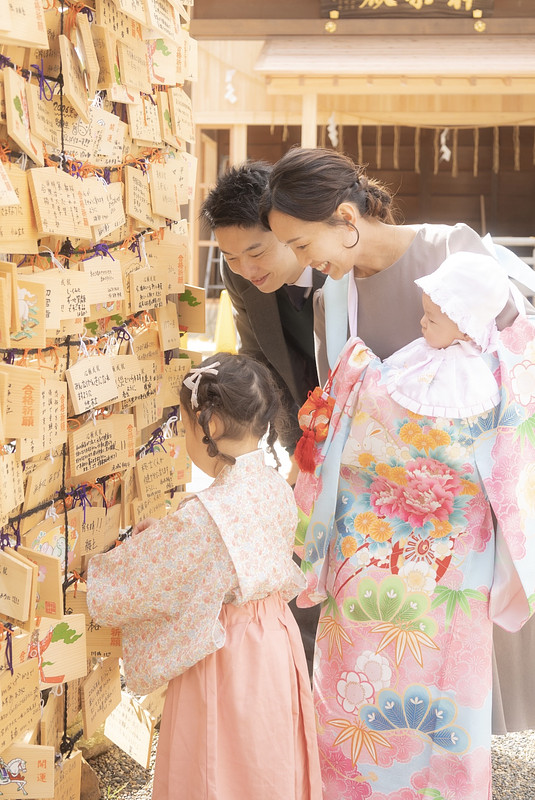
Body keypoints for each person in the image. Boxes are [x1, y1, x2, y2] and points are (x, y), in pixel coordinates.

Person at [259, 146, 535, 796]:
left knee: (443, 680)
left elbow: (517, 363)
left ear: (346, 217)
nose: (303, 262)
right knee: (354, 675)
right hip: (363, 529)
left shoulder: (451, 250)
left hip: (447, 531)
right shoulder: (333, 295)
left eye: (303, 242)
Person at [86, 353, 322, 800]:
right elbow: (221, 551)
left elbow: (140, 579)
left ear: (207, 427)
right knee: (266, 759)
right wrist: (174, 531)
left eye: (182, 425)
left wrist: (95, 573)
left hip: (227, 650)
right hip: (273, 641)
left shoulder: (208, 517)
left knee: (216, 766)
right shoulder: (272, 486)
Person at [201, 162, 324, 675]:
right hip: (300, 418)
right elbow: (257, 357)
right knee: (300, 548)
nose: (245, 267)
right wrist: (270, 444)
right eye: (231, 255)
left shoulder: (340, 269)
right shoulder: (239, 274)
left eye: (256, 250)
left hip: (358, 420)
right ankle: (300, 681)